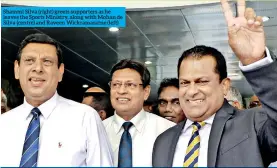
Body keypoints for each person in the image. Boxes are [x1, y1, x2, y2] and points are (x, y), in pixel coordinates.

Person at [152, 0, 277, 167]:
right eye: (184, 83)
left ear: (224, 85)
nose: (191, 91)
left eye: (202, 81)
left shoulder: (253, 123)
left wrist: (256, 63)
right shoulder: (163, 142)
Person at [0, 33, 113, 167]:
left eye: (47, 61)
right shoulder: (3, 124)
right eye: (29, 60)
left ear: (60, 71)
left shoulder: (85, 118)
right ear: (17, 69)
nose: (38, 68)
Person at [103, 59, 176, 167]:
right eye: (116, 84)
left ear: (146, 92)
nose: (122, 90)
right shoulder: (98, 130)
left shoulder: (167, 131)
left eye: (130, 85)